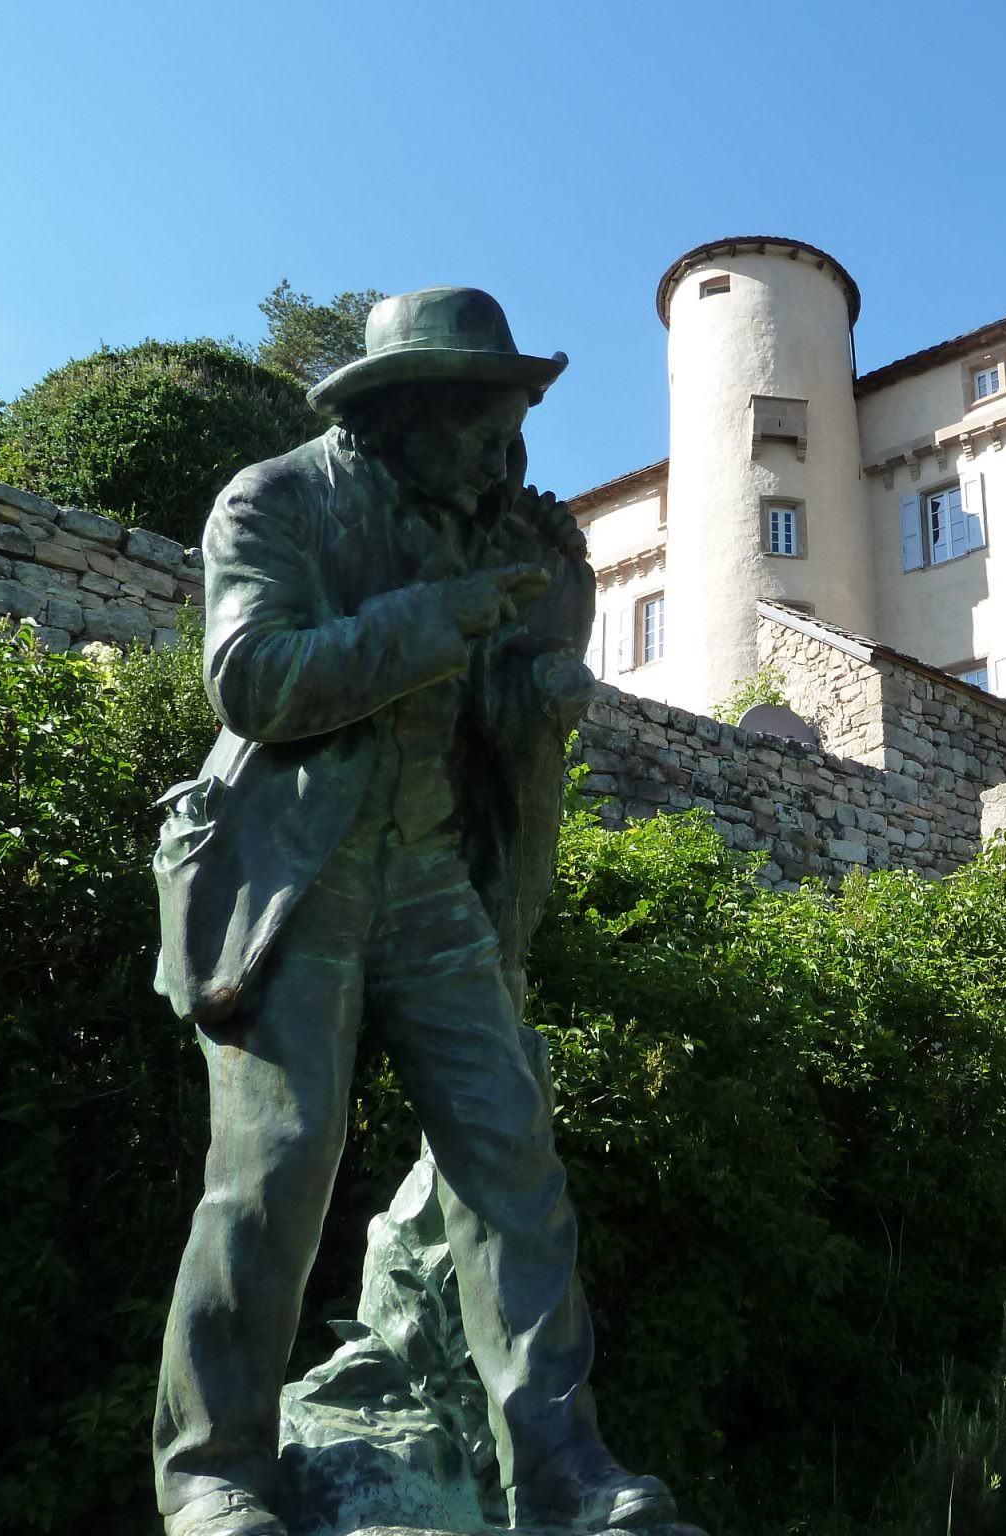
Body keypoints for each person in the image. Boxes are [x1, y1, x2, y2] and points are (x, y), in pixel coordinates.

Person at [151, 288, 691, 1536]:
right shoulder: (276, 499)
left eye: (515, 435)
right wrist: (427, 621)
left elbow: (501, 711)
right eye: (484, 432)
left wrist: (542, 679)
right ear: (406, 411)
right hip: (295, 875)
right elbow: (251, 680)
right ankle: (215, 1473)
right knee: (274, 1170)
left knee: (511, 1157)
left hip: (434, 879)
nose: (506, 461)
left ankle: (558, 1465)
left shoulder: (495, 526)